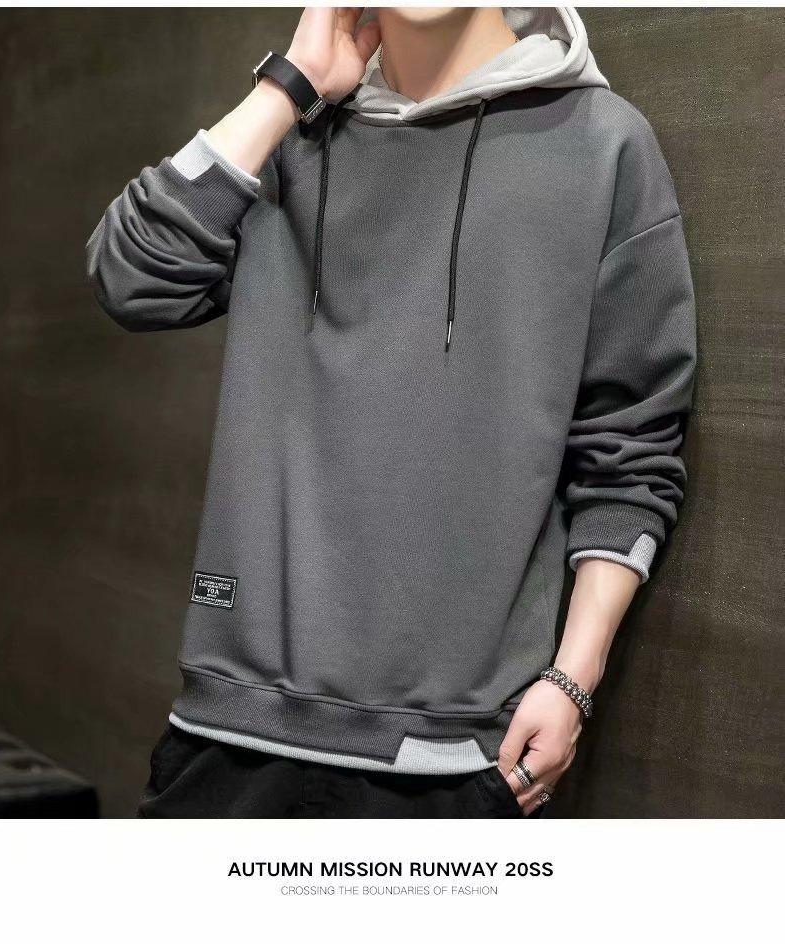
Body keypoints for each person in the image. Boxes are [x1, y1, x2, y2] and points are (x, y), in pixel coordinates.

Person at [86, 6, 696, 818]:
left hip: (456, 757)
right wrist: (287, 89)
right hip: (229, 734)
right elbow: (130, 278)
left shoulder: (602, 144)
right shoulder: (289, 139)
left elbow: (631, 446)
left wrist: (574, 678)